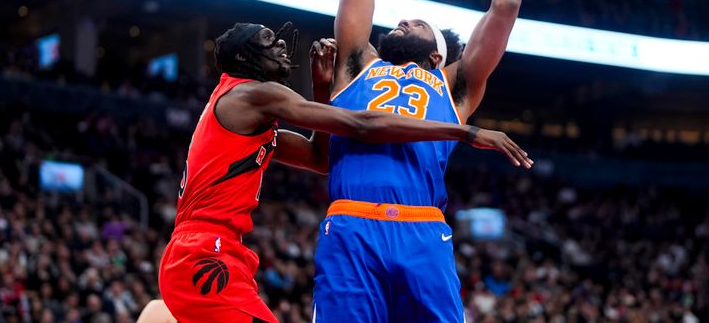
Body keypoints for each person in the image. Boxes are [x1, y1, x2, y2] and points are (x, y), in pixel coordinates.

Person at [158, 21, 529, 323]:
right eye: (269, 40)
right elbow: (362, 124)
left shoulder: (251, 118)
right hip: (205, 251)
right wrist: (467, 131)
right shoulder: (253, 93)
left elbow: (322, 158)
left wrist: (322, 88)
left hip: (219, 251)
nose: (283, 48)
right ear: (244, 56)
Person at [312, 0, 523, 322]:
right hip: (350, 225)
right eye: (403, 21)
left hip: (422, 230)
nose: (404, 21)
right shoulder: (356, 65)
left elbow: (505, 5)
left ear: (437, 54)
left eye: (418, 25)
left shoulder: (454, 84)